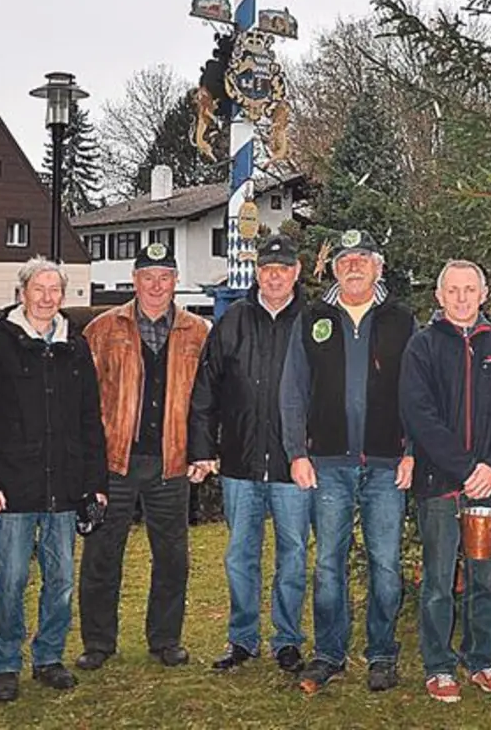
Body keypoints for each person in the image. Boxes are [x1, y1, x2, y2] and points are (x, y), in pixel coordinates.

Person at [0, 258, 108, 703]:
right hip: (12, 490)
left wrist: (94, 482)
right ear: (22, 292)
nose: (46, 297)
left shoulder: (75, 348)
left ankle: (48, 657)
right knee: (12, 579)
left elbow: (89, 421)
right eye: (38, 289)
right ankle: (5, 664)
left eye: (54, 290)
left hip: (64, 488)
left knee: (60, 580)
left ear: (63, 295)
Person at [280, 229, 418, 693]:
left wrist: (413, 452)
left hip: (386, 464)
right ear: (333, 269)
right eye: (344, 260)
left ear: (378, 265)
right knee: (328, 565)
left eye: (362, 258)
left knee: (385, 564)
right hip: (328, 465)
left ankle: (381, 655)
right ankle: (328, 654)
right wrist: (297, 453)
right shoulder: (313, 318)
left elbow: (419, 395)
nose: (353, 266)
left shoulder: (401, 319)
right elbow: (292, 391)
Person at [76, 242, 210, 672]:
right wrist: (87, 460)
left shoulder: (198, 332)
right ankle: (98, 642)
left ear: (175, 282)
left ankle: (166, 639)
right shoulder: (103, 328)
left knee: (172, 556)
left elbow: (209, 400)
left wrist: (204, 452)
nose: (156, 285)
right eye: (147, 276)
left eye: (164, 276)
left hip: (171, 462)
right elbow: (81, 401)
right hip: (114, 462)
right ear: (134, 281)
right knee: (102, 554)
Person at [188, 234, 312, 674]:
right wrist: (203, 449)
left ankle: (287, 640)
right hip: (240, 462)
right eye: (267, 268)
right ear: (257, 272)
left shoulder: (315, 322)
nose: (274, 275)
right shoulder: (233, 320)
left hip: (292, 465)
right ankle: (242, 639)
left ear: (297, 271)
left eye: (283, 268)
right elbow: (206, 389)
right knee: (241, 555)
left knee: (293, 555)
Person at [401, 259, 491, 703]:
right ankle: (438, 666)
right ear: (439, 296)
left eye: (469, 289)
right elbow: (420, 416)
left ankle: (481, 659)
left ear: (483, 293)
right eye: (452, 290)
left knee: (483, 578)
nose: (461, 298)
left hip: (488, 486)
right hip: (440, 485)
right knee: (437, 581)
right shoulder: (423, 346)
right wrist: (464, 469)